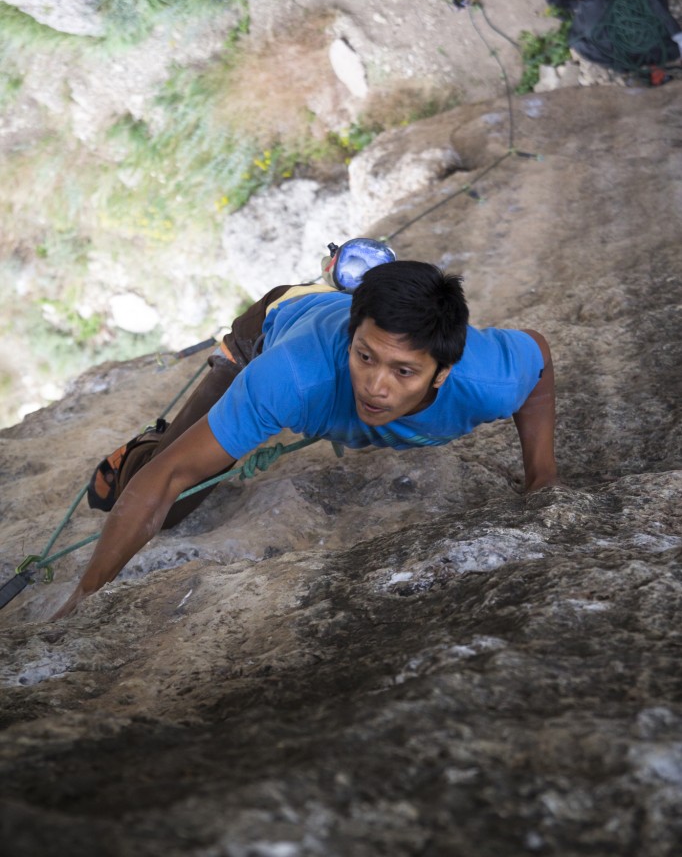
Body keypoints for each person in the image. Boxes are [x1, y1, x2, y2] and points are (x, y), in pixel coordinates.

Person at [52, 259, 557, 619]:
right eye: (364, 356)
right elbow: (166, 480)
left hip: (324, 323)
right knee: (174, 500)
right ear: (350, 339)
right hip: (272, 325)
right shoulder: (290, 376)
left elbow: (537, 357)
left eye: (403, 371)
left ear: (442, 372)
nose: (376, 386)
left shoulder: (488, 379)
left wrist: (542, 475)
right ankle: (143, 444)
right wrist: (83, 598)